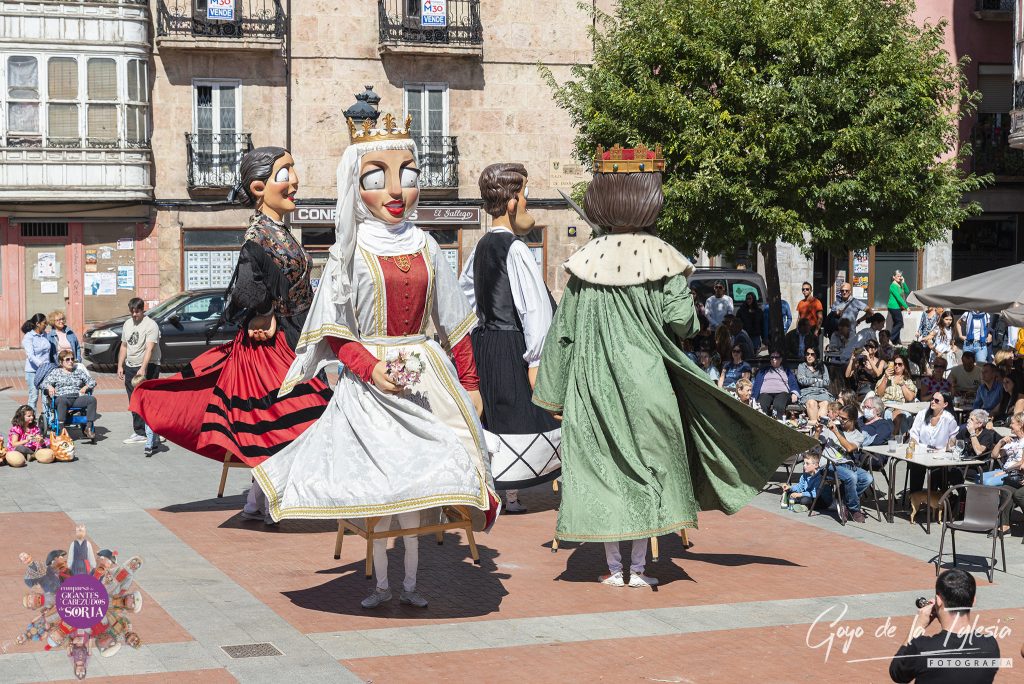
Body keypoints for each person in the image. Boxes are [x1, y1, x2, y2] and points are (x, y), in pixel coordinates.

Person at [531, 143, 815, 589]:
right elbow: (683, 325)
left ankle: (611, 568)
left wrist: (552, 392)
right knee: (650, 470)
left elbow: (561, 334)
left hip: (592, 386)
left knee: (604, 473)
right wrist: (681, 288)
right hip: (649, 383)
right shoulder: (662, 258)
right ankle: (640, 570)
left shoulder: (585, 264)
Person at [251, 115, 498, 609]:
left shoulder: (427, 245)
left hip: (426, 377)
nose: (394, 191)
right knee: (382, 492)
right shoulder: (349, 251)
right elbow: (336, 331)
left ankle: (410, 585)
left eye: (407, 175)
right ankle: (383, 584)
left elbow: (455, 321)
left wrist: (471, 383)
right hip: (371, 386)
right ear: (353, 183)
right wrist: (370, 368)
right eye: (376, 177)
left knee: (419, 488)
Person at [131, 147, 331, 503]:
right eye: (285, 175)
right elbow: (244, 291)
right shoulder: (258, 238)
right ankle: (271, 500)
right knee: (287, 420)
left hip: (294, 335)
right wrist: (263, 311)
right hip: (273, 348)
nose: (295, 182)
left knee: (283, 423)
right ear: (258, 187)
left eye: (292, 172)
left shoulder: (277, 232)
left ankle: (262, 500)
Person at [458, 162, 560, 515]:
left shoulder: (480, 247)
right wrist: (537, 359)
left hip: (485, 342)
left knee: (496, 411)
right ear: (513, 202)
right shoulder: (516, 249)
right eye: (526, 197)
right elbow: (535, 309)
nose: (527, 205)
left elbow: (465, 297)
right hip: (511, 342)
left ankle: (498, 485)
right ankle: (515, 486)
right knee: (518, 410)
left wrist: (474, 335)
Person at [889, 569, 1001, 684]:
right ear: (973, 601)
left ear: (938, 600)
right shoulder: (990, 646)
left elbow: (897, 673)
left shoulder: (923, 648)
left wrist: (918, 626)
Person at [816, 404, 873, 523]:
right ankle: (854, 509)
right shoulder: (831, 428)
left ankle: (843, 500)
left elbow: (849, 448)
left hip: (846, 465)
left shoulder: (858, 435)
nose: (840, 420)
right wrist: (817, 431)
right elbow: (814, 443)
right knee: (851, 477)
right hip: (828, 464)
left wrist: (836, 432)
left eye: (843, 418)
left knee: (867, 478)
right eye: (839, 417)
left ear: (852, 420)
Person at [117, 298, 160, 446]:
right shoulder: (128, 324)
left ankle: (153, 431)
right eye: (132, 312)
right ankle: (139, 431)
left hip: (149, 366)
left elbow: (150, 348)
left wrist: (143, 368)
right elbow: (124, 346)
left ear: (143, 310)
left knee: (147, 400)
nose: (134, 315)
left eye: (137, 311)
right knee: (133, 399)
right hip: (130, 365)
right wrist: (120, 365)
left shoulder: (151, 325)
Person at [907, 392, 959, 492]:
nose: (932, 402)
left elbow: (953, 439)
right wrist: (916, 448)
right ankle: (915, 497)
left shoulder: (949, 419)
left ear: (945, 404)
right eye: (932, 399)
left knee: (937, 471)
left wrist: (943, 451)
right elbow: (914, 434)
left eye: (936, 400)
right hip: (921, 451)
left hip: (940, 453)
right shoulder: (922, 414)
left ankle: (934, 500)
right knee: (916, 464)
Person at [42, 350, 97, 439]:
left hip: (77, 397)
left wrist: (86, 387)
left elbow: (92, 381)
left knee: (92, 400)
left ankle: (89, 428)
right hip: (63, 398)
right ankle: (61, 428)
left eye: (72, 359)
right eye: (67, 359)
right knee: (62, 400)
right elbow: (43, 383)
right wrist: (49, 387)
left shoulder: (78, 372)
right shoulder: (56, 372)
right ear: (61, 362)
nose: (71, 361)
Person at [976, 412, 1023, 487]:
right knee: (978, 477)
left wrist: (1004, 472)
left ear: (1020, 425)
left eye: (1012, 423)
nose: (1010, 425)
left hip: (1015, 473)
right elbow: (994, 455)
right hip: (1005, 470)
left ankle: (993, 498)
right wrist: (1000, 442)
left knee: (988, 482)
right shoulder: (1013, 441)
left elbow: (1021, 464)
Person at [875, 357, 917, 433]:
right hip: (887, 405)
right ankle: (897, 436)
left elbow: (910, 398)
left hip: (902, 406)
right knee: (893, 414)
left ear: (904, 366)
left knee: (901, 414)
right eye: (895, 364)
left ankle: (894, 435)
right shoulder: (887, 377)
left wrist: (903, 385)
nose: (896, 366)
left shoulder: (907, 380)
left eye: (900, 364)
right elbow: (879, 393)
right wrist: (885, 378)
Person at [753, 351, 799, 418]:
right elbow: (757, 384)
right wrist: (753, 396)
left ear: (781, 359)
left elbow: (793, 382)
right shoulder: (763, 370)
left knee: (778, 405)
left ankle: (778, 426)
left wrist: (794, 393)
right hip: (765, 393)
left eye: (776, 357)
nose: (774, 359)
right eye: (772, 357)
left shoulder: (786, 370)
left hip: (782, 393)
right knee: (761, 405)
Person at [22, 313, 50, 415]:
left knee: (46, 396)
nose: (46, 324)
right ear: (38, 323)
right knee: (33, 396)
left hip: (46, 370)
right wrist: (41, 364)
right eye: (44, 322)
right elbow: (30, 355)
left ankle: (47, 420)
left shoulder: (45, 335)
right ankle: (31, 421)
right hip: (33, 371)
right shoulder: (28, 337)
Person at [796, 348, 832, 424]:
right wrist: (816, 380)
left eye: (812, 354)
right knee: (812, 403)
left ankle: (818, 427)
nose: (809, 356)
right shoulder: (802, 366)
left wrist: (809, 380)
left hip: (821, 392)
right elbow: (802, 381)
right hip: (807, 392)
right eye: (807, 354)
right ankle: (817, 427)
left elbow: (826, 382)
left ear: (816, 356)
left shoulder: (822, 366)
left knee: (825, 403)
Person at [886, 270, 911, 345]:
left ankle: (896, 341)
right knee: (900, 323)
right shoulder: (893, 286)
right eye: (898, 276)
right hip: (893, 306)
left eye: (900, 276)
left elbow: (907, 291)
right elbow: (898, 298)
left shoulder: (899, 284)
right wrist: (907, 307)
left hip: (898, 307)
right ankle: (890, 339)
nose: (899, 278)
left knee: (897, 323)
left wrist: (903, 282)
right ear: (893, 277)